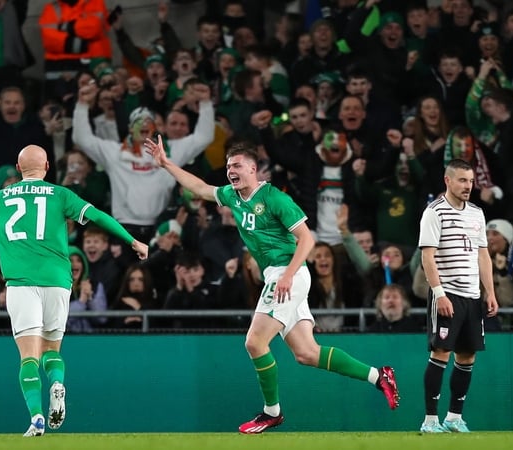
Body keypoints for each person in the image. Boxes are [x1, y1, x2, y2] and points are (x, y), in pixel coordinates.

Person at [144, 136, 400, 434]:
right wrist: (165, 164)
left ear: (254, 169)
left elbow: (308, 239)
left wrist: (288, 275)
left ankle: (271, 413)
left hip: (286, 275)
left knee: (254, 342)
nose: (231, 170)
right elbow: (200, 188)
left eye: (237, 165)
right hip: (280, 278)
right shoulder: (232, 196)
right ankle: (379, 376)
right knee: (306, 353)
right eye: (228, 166)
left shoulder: (275, 199)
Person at [0, 144, 148, 437]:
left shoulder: (0, 198)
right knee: (52, 350)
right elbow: (98, 216)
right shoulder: (60, 195)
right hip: (58, 281)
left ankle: (36, 418)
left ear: (19, 168)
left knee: (28, 358)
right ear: (47, 167)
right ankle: (57, 383)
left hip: (21, 284)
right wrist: (132, 241)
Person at [417, 158, 499, 434]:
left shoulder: (476, 213)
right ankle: (430, 420)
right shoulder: (434, 212)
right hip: (447, 293)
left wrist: (489, 291)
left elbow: (482, 254)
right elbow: (427, 257)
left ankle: (454, 417)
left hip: (472, 296)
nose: (468, 186)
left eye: (471, 181)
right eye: (462, 180)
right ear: (447, 181)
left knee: (467, 356)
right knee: (440, 352)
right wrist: (439, 294)